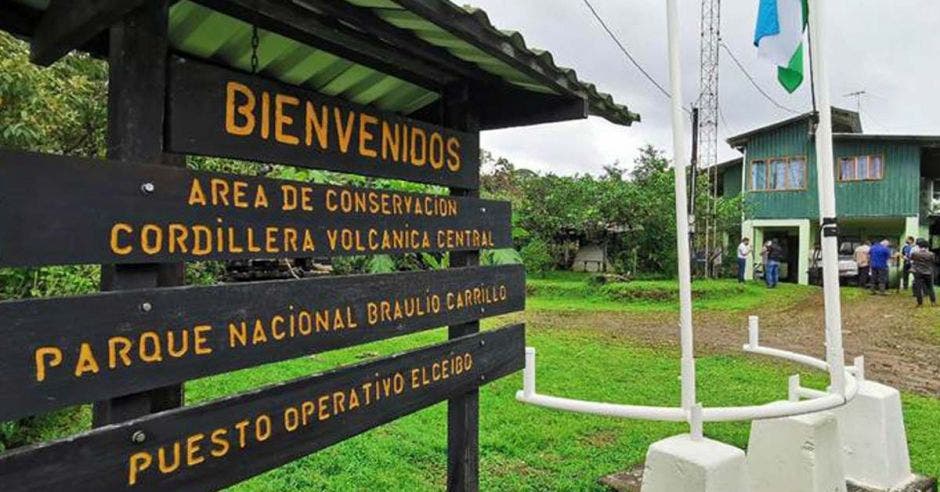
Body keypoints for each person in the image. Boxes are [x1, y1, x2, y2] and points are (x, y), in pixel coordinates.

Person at [911, 238, 936, 306]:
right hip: (928, 272)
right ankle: (933, 302)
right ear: (927, 246)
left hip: (918, 272)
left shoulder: (915, 253)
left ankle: (920, 303)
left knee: (918, 288)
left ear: (919, 246)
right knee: (930, 287)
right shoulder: (931, 254)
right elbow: (933, 262)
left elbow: (912, 260)